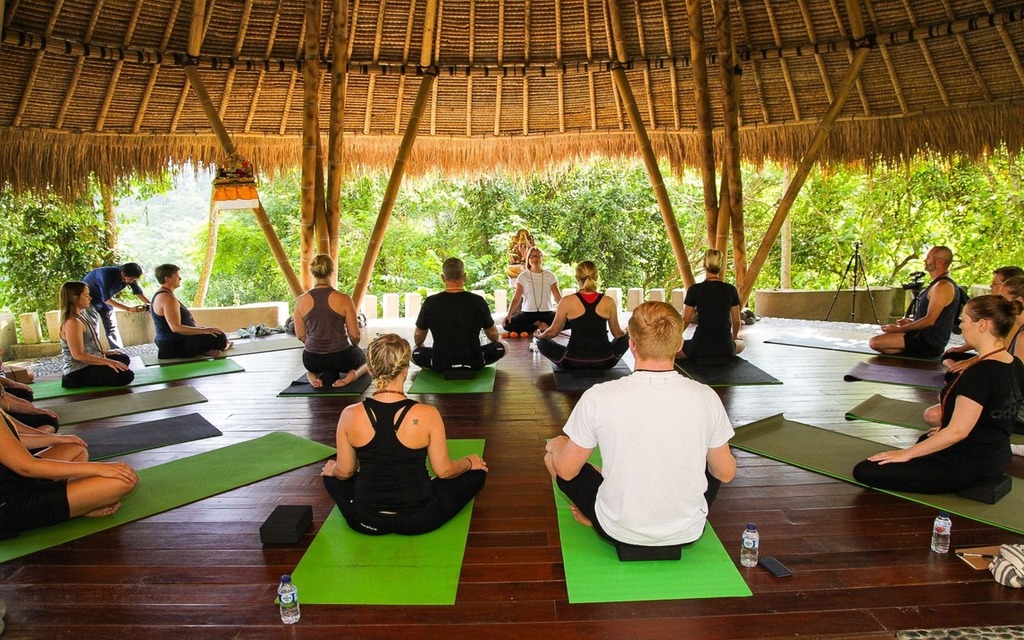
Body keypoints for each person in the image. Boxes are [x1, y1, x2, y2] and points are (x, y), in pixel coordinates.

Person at [544, 301, 736, 548]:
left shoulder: (598, 396)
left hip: (617, 531)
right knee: (717, 460)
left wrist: (558, 445)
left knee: (554, 457)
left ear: (632, 345)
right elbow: (725, 473)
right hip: (687, 532)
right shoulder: (706, 397)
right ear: (679, 345)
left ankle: (596, 517)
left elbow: (567, 471)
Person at [853, 295, 1024, 494]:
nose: (960, 326)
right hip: (998, 456)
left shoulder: (981, 372)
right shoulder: (1014, 364)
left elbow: (958, 432)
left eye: (964, 320)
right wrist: (943, 430)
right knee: (927, 439)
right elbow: (993, 413)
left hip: (970, 463)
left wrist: (905, 454)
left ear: (983, 325)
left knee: (866, 470)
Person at [321, 334, 487, 535]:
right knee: (477, 474)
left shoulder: (349, 414)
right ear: (405, 371)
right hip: (418, 520)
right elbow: (444, 471)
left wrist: (334, 469)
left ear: (371, 370)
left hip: (365, 519)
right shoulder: (428, 414)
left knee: (331, 475)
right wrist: (469, 461)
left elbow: (346, 471)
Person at [0, 404, 138, 537]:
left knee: (74, 447)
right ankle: (82, 506)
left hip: (14, 477)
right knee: (121, 481)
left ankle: (80, 502)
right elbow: (27, 467)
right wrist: (98, 468)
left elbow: (13, 441)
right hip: (11, 502)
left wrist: (57, 439)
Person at [413, 258, 506, 373]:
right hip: (474, 362)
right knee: (503, 345)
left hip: (440, 363)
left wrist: (421, 346)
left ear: (443, 278)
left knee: (414, 352)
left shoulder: (430, 302)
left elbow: (418, 336)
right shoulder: (478, 301)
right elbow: (493, 335)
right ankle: (476, 358)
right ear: (465, 276)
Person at [534, 261, 628, 370]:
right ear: (596, 277)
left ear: (577, 278)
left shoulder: (566, 301)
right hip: (605, 360)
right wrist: (626, 332)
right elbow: (618, 334)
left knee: (541, 342)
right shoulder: (609, 301)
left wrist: (540, 336)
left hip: (573, 361)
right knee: (627, 337)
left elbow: (552, 332)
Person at [869, 246, 959, 358]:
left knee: (875, 342)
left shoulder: (943, 286)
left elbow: (929, 320)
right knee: (885, 344)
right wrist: (912, 322)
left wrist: (899, 329)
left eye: (928, 257)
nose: (925, 260)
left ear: (939, 261)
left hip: (928, 342)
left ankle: (919, 354)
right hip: (922, 336)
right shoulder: (937, 284)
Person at [293, 255, 368, 388]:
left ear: (312, 273)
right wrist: (355, 347)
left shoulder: (301, 300)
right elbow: (355, 335)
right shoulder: (344, 299)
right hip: (341, 358)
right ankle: (351, 377)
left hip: (312, 359)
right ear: (332, 271)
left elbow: (300, 335)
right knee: (367, 359)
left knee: (323, 368)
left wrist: (316, 345)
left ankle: (312, 375)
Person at [58, 281, 135, 389]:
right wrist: (108, 361)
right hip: (78, 369)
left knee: (122, 358)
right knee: (126, 376)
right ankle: (73, 381)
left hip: (89, 361)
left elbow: (88, 344)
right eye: (86, 295)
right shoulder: (72, 322)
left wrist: (105, 353)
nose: (90, 298)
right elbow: (78, 355)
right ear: (75, 298)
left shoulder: (82, 315)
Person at [675, 249, 745, 360]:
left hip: (699, 347)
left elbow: (686, 320)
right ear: (721, 266)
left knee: (671, 350)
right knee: (741, 344)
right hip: (725, 348)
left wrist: (676, 338)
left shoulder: (694, 290)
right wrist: (734, 337)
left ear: (704, 265)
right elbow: (736, 321)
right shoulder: (731, 290)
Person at [150, 264, 231, 359]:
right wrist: (203, 330)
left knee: (213, 331)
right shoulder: (167, 298)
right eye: (177, 276)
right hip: (175, 344)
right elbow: (175, 328)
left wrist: (202, 329)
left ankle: (206, 350)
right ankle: (225, 345)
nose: (180, 278)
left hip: (173, 341)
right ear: (167, 279)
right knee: (220, 336)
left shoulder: (163, 295)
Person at [81, 262, 151, 349]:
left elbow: (139, 293)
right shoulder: (106, 274)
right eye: (131, 279)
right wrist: (128, 309)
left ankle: (119, 351)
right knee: (92, 327)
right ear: (123, 273)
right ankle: (94, 352)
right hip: (90, 298)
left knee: (111, 326)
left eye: (134, 279)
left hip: (106, 299)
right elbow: (106, 299)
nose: (132, 281)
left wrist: (151, 305)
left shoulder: (129, 277)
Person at [502, 247, 561, 337]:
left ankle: (540, 326)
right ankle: (540, 327)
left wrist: (566, 313)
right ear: (528, 259)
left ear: (542, 258)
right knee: (507, 324)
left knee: (569, 321)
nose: (535, 259)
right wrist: (508, 314)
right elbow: (516, 298)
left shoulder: (550, 276)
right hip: (528, 314)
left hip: (547, 313)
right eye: (532, 256)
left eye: (537, 256)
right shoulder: (523, 276)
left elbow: (558, 298)